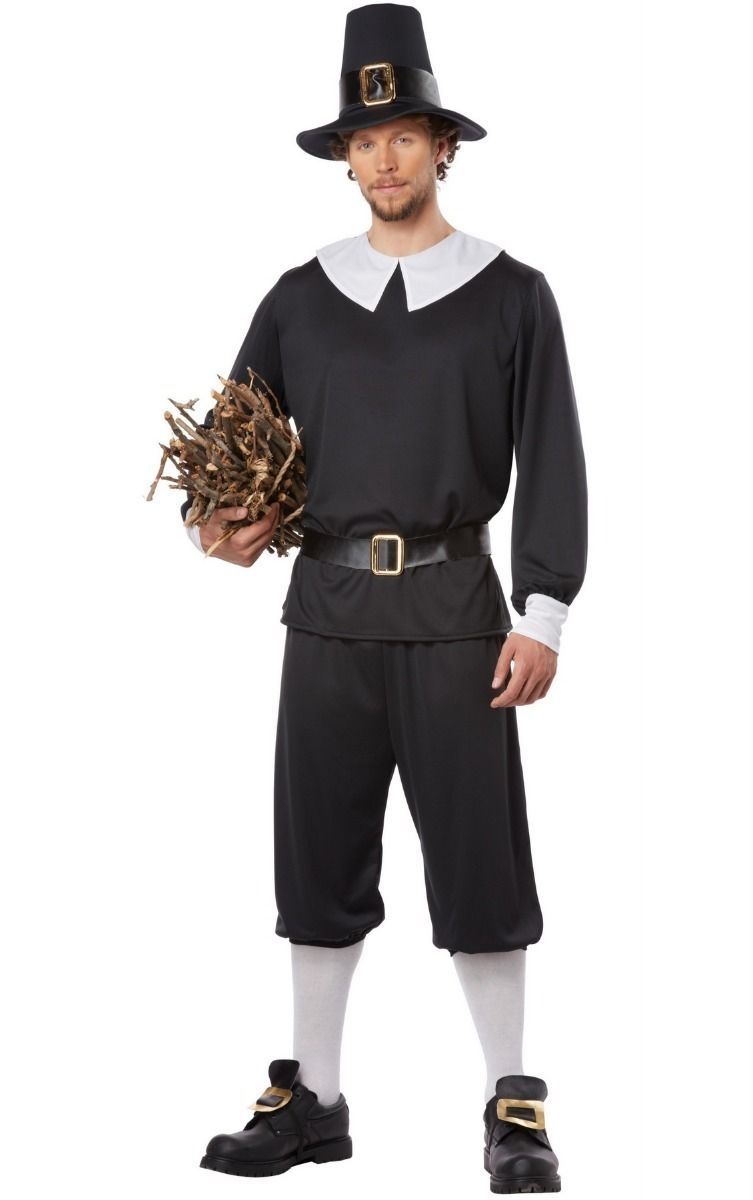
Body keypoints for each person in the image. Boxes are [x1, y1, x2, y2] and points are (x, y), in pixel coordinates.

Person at [183, 4, 587, 1191]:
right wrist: (218, 528)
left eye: (405, 133)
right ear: (346, 157)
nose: (385, 157)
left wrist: (544, 613)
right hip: (326, 614)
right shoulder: (300, 297)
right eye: (365, 140)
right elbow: (231, 448)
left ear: (441, 146)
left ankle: (513, 1105)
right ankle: (313, 1100)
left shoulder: (511, 293)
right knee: (315, 861)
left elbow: (553, 457)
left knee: (479, 862)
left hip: (460, 612)